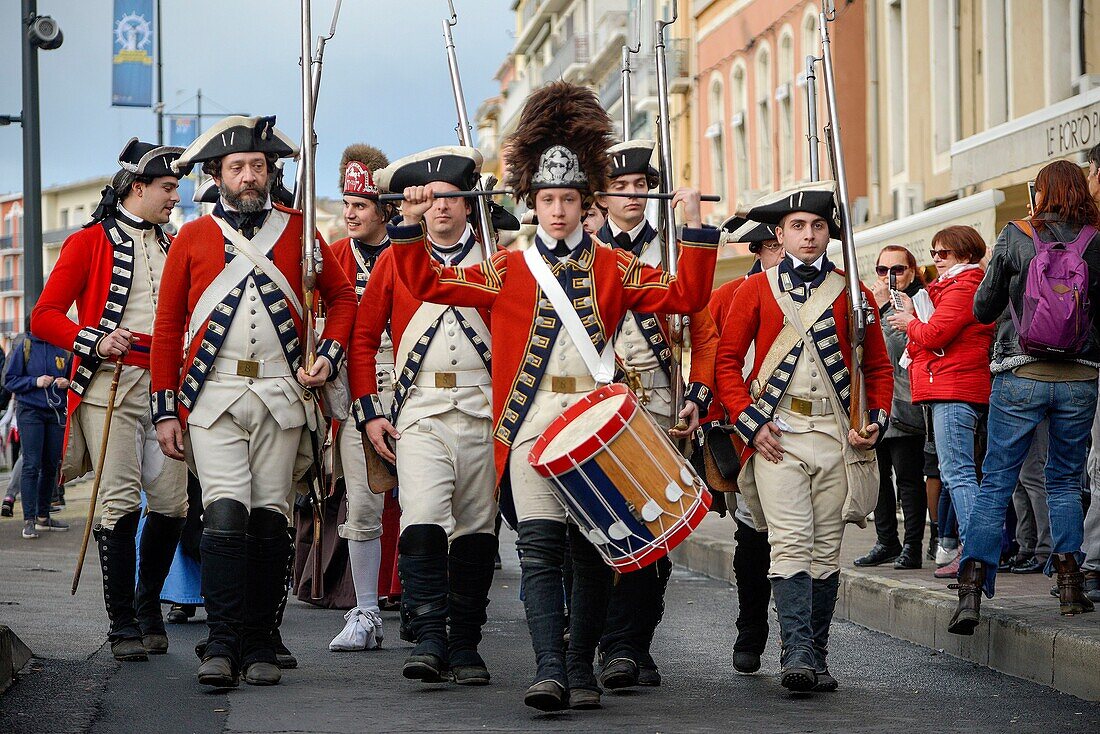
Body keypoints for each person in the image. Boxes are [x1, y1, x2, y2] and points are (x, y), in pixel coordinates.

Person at [390, 80, 718, 711]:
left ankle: (580, 666)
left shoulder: (614, 266)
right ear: (531, 202)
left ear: (584, 201)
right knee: (540, 552)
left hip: (598, 423)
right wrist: (408, 225)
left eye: (569, 199)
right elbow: (428, 283)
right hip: (531, 427)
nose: (559, 211)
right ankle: (549, 670)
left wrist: (698, 228)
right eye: (548, 199)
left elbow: (686, 297)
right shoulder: (505, 268)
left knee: (594, 553)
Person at [150, 115, 356, 687]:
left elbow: (342, 301)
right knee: (222, 512)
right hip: (212, 396)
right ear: (217, 175)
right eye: (237, 167)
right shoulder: (191, 237)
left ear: (271, 173)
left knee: (270, 517)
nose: (248, 176)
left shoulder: (299, 231)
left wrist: (329, 357)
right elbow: (169, 328)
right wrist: (166, 409)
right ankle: (221, 642)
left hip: (281, 393)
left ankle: (262, 639)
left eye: (258, 167)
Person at [715, 181, 892, 693]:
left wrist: (875, 418)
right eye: (798, 227)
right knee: (789, 542)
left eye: (818, 226)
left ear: (829, 233)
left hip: (836, 436)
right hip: (779, 435)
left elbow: (877, 366)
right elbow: (728, 363)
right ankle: (796, 652)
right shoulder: (755, 289)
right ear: (780, 233)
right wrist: (751, 421)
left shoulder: (852, 293)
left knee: (824, 549)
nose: (809, 236)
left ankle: (817, 654)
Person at [31, 139, 192, 661]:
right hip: (112, 384)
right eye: (168, 188)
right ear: (138, 188)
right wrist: (95, 339)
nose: (175, 198)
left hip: (165, 387)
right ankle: (122, 620)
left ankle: (148, 607)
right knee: (118, 502)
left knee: (172, 504)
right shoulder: (87, 243)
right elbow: (45, 315)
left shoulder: (175, 244)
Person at [348, 145, 499, 686]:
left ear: (468, 203)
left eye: (451, 198)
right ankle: (431, 635)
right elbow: (363, 339)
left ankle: (465, 642)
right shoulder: (395, 258)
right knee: (423, 522)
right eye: (431, 199)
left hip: (483, 409)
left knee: (478, 533)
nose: (440, 208)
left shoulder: (496, 261)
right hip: (421, 412)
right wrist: (369, 413)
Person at [948, 160, 1100, 633]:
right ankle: (1071, 585)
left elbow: (982, 307)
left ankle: (971, 589)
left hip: (1020, 372)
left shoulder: (1015, 235)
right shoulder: (1097, 241)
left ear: (1039, 194)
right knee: (1064, 481)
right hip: (1079, 377)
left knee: (996, 481)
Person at [593, 138, 719, 691]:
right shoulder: (579, 253)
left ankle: (632, 643)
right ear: (599, 195)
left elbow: (705, 331)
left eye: (642, 187)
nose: (633, 197)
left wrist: (698, 393)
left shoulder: (672, 250)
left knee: (654, 530)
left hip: (661, 405)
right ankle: (604, 639)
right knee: (600, 529)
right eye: (621, 188)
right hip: (598, 402)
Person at [887, 227, 993, 583]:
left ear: (965, 254)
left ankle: (974, 552)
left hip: (954, 387)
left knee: (958, 474)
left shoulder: (965, 287)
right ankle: (971, 550)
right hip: (947, 385)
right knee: (955, 473)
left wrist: (909, 322)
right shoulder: (950, 286)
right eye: (933, 252)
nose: (936, 258)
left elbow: (934, 335)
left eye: (943, 253)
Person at [325, 144, 395, 652]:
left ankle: (426, 606)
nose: (350, 213)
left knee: (424, 507)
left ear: (383, 209)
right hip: (357, 392)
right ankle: (365, 610)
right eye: (346, 202)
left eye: (361, 204)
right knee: (362, 506)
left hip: (410, 386)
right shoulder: (329, 259)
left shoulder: (410, 250)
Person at [706, 216, 783, 675]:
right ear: (758, 251)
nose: (783, 252)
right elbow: (717, 365)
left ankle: (803, 642)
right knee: (753, 533)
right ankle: (751, 629)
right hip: (745, 430)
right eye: (772, 245)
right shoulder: (727, 296)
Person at [855, 245, 928, 569]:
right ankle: (886, 541)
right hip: (875, 406)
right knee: (879, 478)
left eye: (896, 270)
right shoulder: (871, 304)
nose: (889, 277)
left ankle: (912, 545)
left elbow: (892, 348)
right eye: (883, 270)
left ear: (912, 271)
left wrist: (884, 308)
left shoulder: (918, 303)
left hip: (906, 404)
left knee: (909, 479)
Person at [3, 325, 69, 540]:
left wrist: (67, 382)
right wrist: (35, 381)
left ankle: (43, 516)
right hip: (30, 411)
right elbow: (9, 380)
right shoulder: (25, 345)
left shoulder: (62, 348)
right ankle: (29, 520)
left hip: (55, 412)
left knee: (51, 464)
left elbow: (73, 376)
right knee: (31, 464)